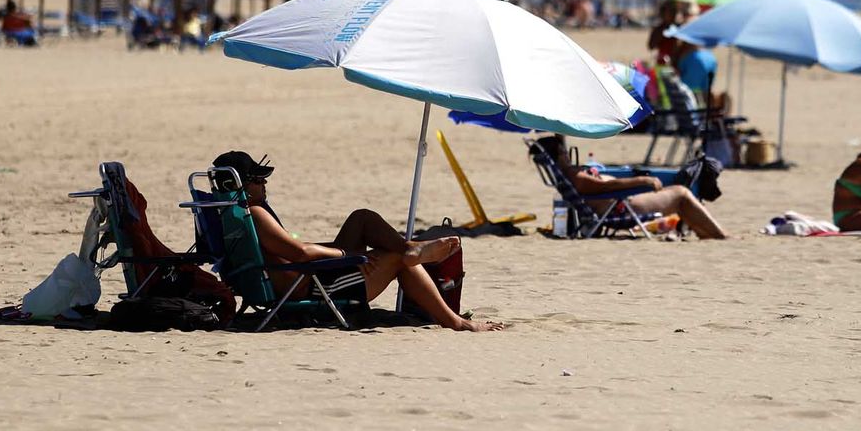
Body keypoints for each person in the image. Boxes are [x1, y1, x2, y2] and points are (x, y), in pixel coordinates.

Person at [210, 150, 504, 331]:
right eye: (258, 180)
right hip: (312, 287)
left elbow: (287, 249)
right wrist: (344, 255)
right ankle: (455, 320)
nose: (264, 184)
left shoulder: (227, 214)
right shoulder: (254, 213)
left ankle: (411, 247)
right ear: (240, 185)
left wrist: (341, 251)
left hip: (296, 276)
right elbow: (298, 252)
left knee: (362, 218)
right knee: (396, 260)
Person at [535, 135, 727, 239]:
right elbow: (608, 187)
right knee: (681, 194)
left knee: (679, 195)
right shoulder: (575, 177)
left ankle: (708, 234)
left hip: (620, 202)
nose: (567, 153)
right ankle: (721, 236)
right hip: (622, 206)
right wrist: (642, 182)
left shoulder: (570, 175)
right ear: (558, 156)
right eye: (562, 151)